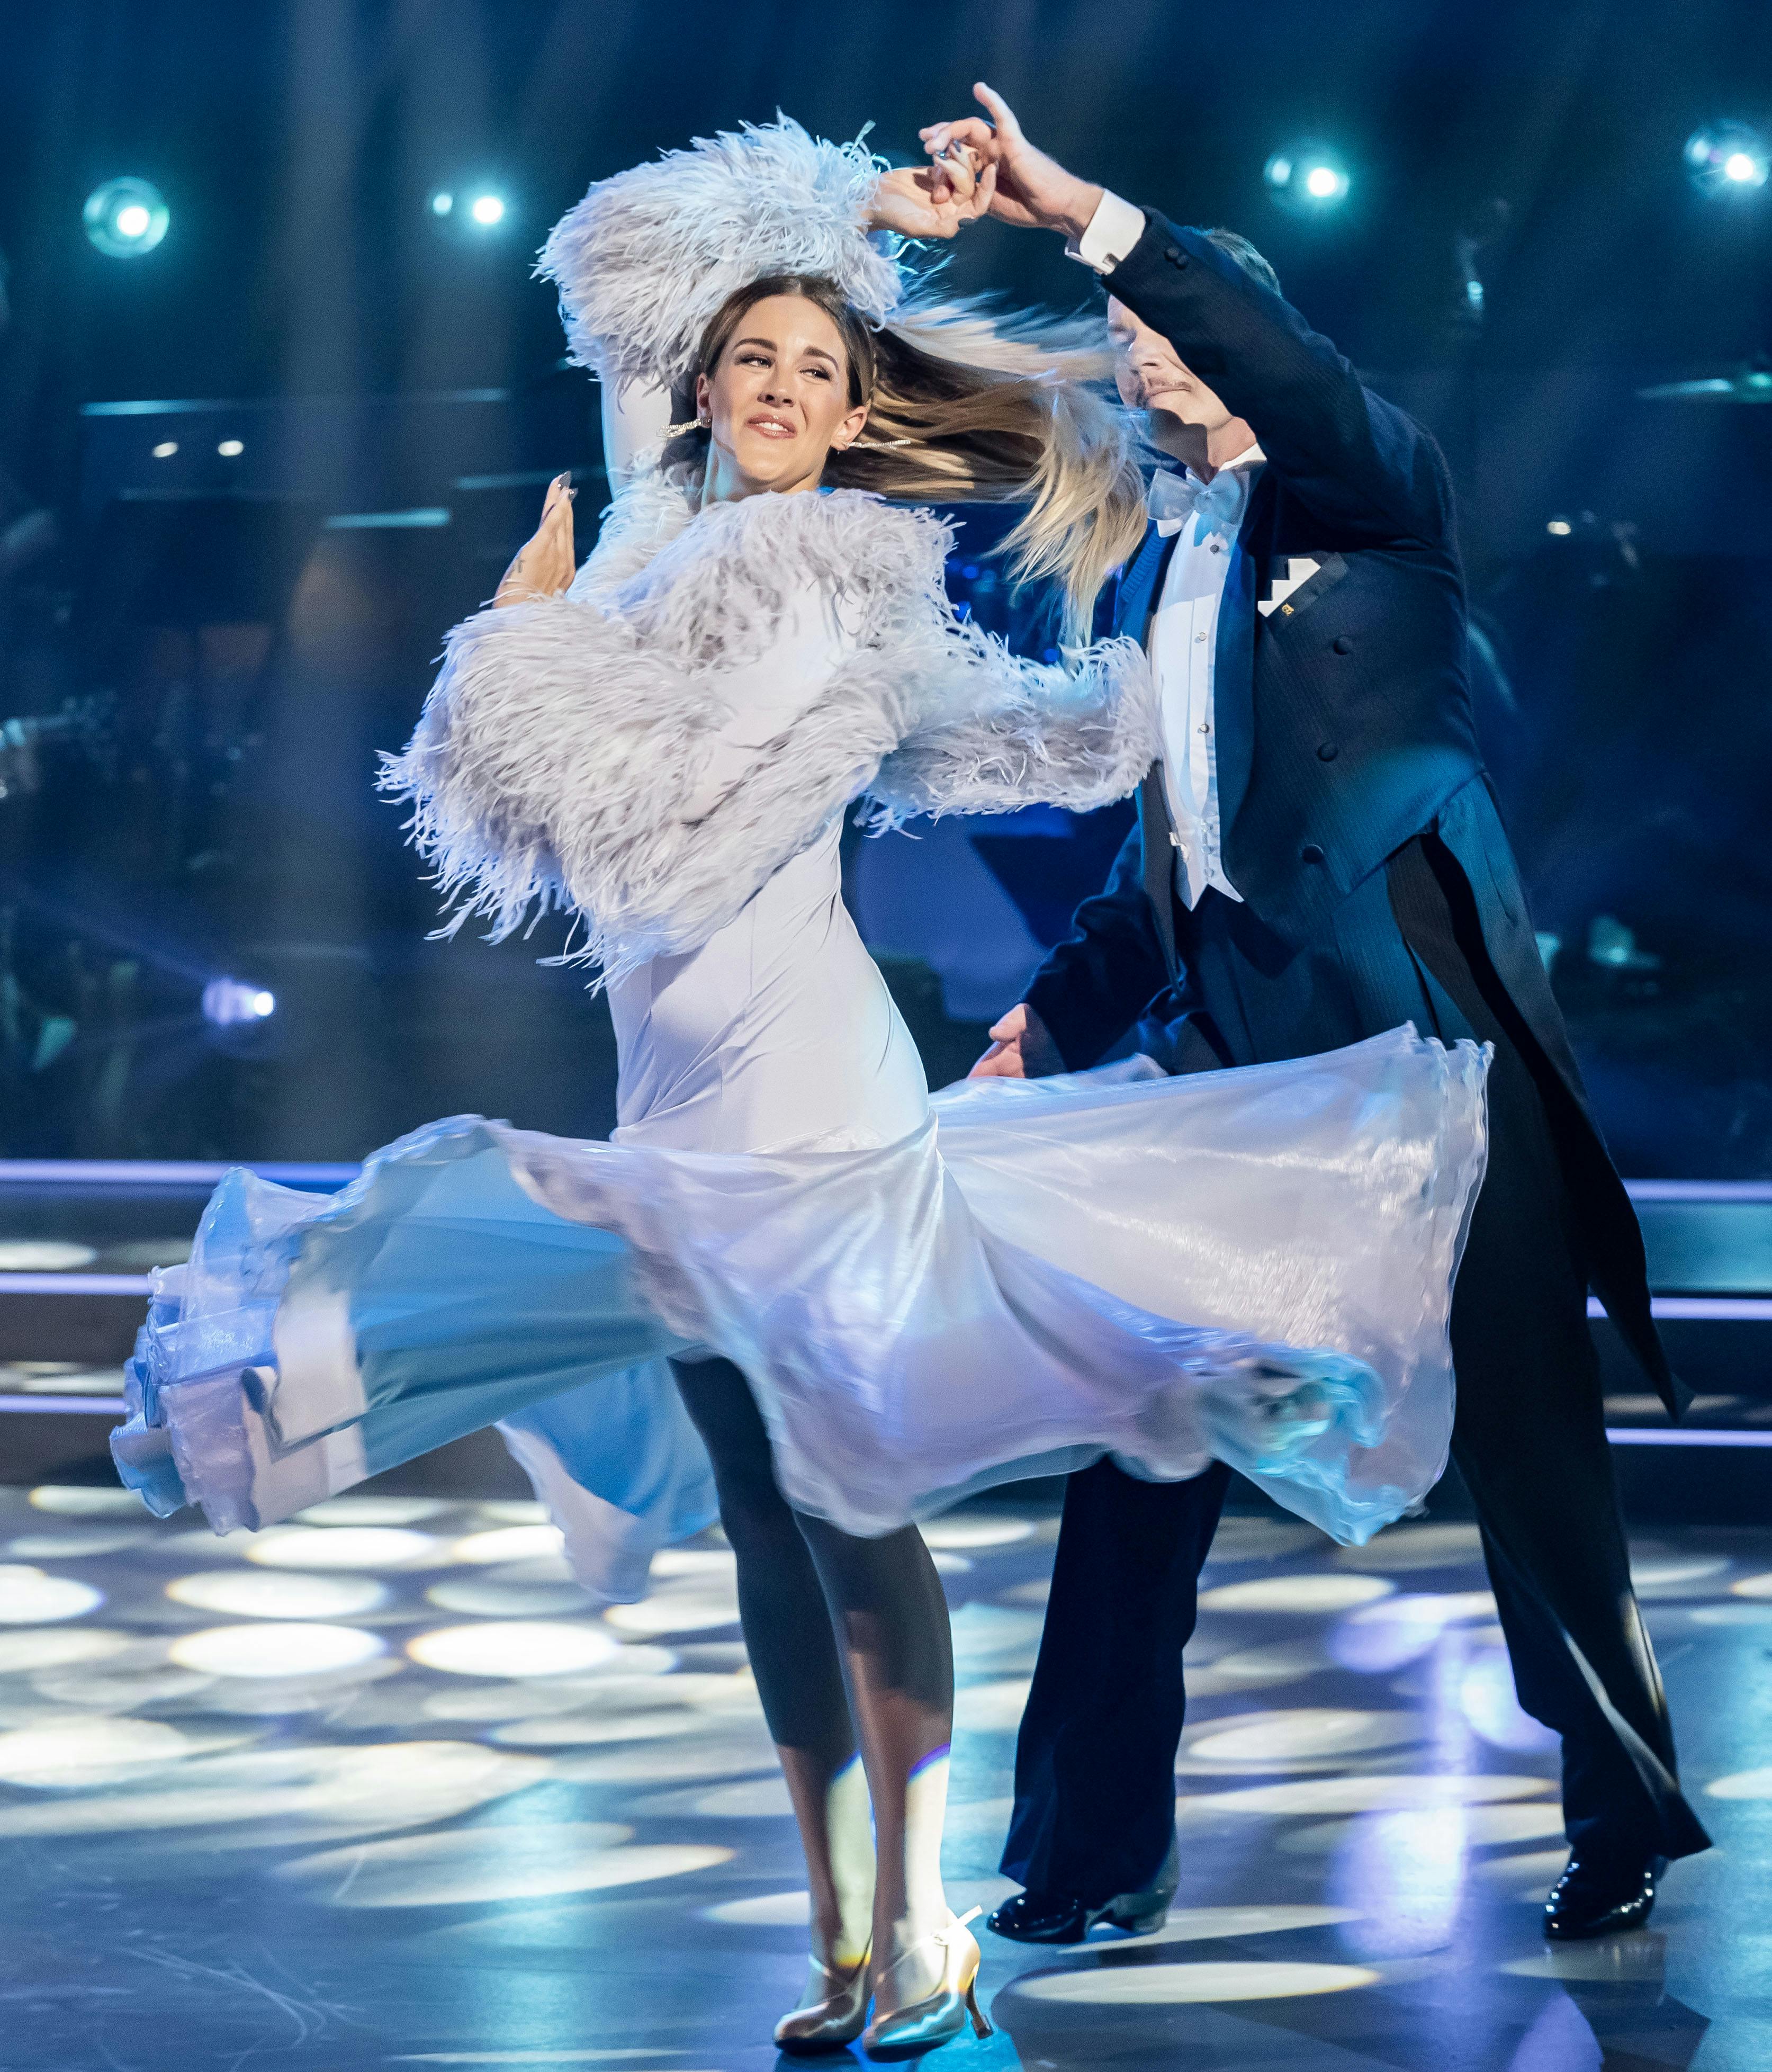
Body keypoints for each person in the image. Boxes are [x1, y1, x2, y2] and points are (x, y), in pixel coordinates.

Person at [112, 119, 1488, 2055]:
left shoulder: (842, 587)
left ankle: (921, 1925)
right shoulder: (662, 554)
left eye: (818, 368)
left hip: (806, 1098)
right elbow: (611, 279)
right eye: (750, 359)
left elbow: (696, 815)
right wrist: (830, 230)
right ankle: (845, 1938)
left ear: (855, 422)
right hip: (673, 1099)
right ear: (706, 388)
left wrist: (520, 653)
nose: (778, 387)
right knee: (770, 1522)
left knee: (841, 1507)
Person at [921, 82, 1711, 1948]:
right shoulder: (1156, 569)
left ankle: (1620, 1809)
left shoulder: (1372, 498)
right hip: (1230, 1080)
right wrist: (1052, 1010)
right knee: (1143, 1442)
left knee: (1528, 1455)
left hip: (1428, 1051)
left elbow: (1265, 353)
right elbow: (1162, 855)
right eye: (1122, 347)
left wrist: (1102, 226)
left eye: (1158, 333)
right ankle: (1088, 1850)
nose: (1141, 362)